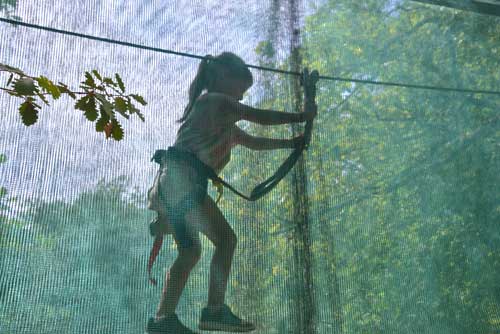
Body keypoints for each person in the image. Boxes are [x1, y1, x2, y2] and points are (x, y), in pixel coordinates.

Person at [146, 52, 317, 334]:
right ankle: (214, 311)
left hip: (174, 185)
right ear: (224, 77)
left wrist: (292, 143)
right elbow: (257, 116)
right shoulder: (214, 101)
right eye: (241, 89)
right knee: (226, 240)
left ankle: (163, 320)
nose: (240, 97)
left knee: (190, 252)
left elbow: (255, 141)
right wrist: (301, 117)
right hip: (182, 182)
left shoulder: (225, 123)